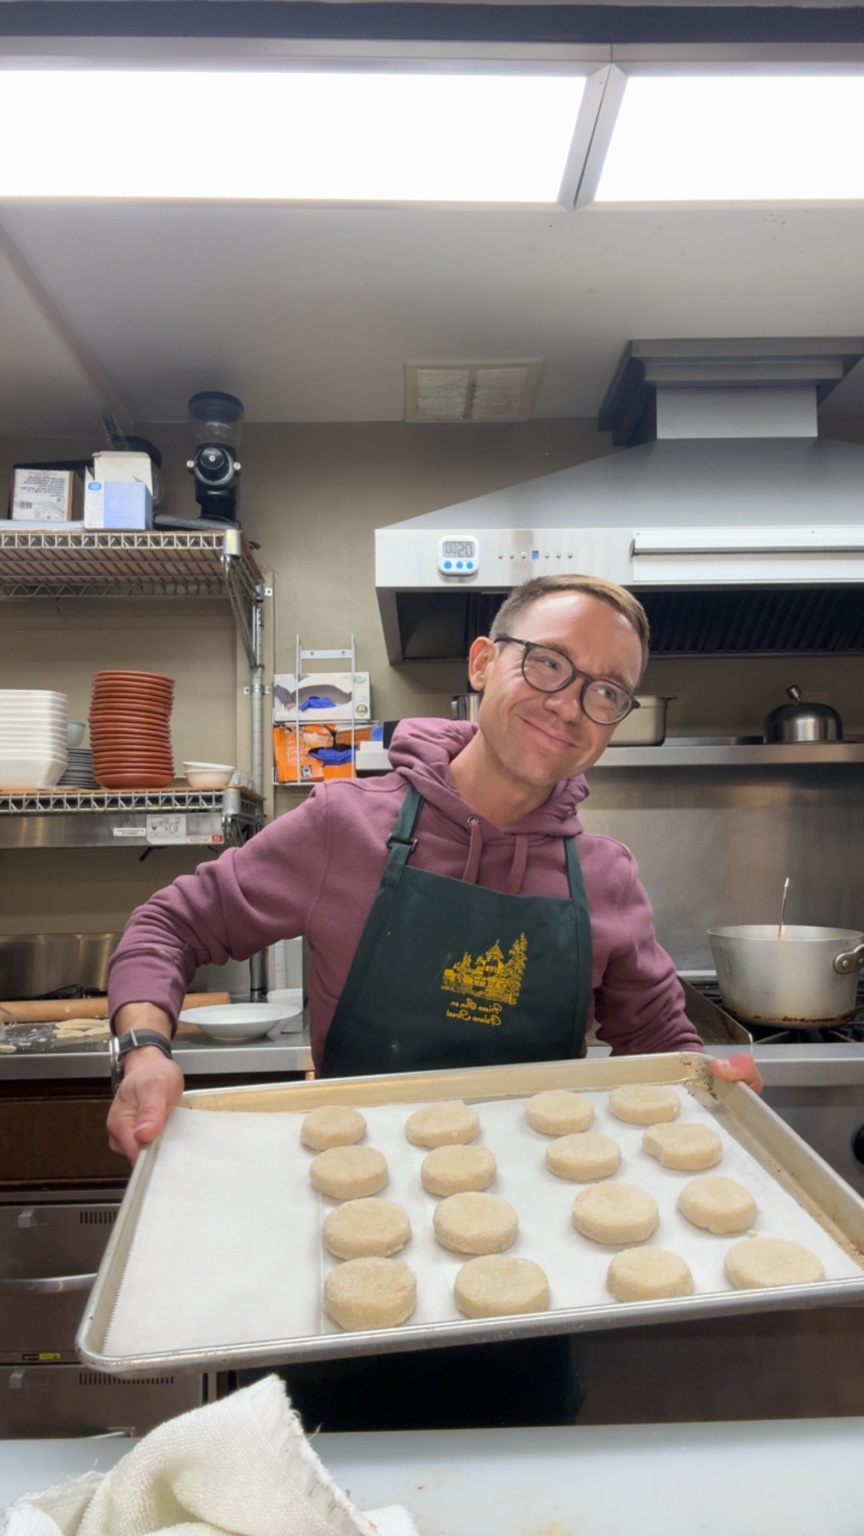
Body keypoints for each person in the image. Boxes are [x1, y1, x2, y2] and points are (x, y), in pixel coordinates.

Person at [106, 572, 762, 1429]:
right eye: (551, 666)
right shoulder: (344, 827)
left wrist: (714, 1094)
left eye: (606, 692)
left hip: (531, 1268)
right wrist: (144, 1050)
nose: (571, 705)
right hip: (342, 1255)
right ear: (485, 662)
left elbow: (659, 1046)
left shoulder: (605, 877)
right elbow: (169, 924)